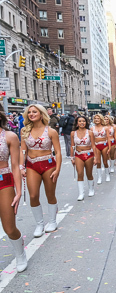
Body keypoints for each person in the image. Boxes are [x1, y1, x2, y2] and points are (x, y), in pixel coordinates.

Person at [20, 104, 62, 237]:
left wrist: (58, 169)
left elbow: (58, 152)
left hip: (48, 164)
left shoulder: (51, 131)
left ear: (41, 114)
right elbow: (23, 150)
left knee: (50, 194)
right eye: (29, 112)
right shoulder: (24, 131)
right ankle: (39, 224)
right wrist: (21, 166)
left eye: (34, 112)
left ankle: (52, 221)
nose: (31, 114)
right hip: (31, 165)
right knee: (33, 195)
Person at [0, 111, 27, 272]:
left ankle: (20, 253)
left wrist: (18, 192)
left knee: (9, 228)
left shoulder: (9, 136)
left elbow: (15, 166)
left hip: (4, 182)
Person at [71, 115, 98, 200]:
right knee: (80, 173)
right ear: (77, 123)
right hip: (78, 154)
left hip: (88, 154)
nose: (82, 123)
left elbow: (93, 146)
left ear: (86, 123)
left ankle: (91, 189)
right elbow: (72, 146)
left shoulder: (90, 132)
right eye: (80, 121)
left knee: (89, 173)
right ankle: (81, 193)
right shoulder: (73, 133)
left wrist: (96, 157)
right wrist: (72, 157)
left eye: (83, 121)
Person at [92, 114, 111, 185]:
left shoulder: (105, 128)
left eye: (98, 118)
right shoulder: (92, 128)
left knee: (105, 161)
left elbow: (108, 138)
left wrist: (109, 147)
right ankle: (99, 177)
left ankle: (107, 175)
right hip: (96, 145)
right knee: (98, 162)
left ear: (101, 119)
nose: (96, 120)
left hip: (104, 145)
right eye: (95, 118)